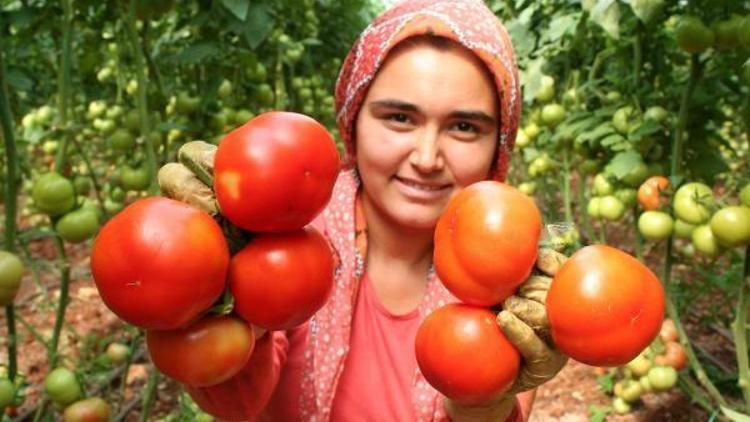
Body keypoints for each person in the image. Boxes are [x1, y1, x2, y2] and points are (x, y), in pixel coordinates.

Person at [159, 0, 568, 420]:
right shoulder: (284, 237)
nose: (427, 158)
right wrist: (203, 288)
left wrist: (486, 404)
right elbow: (233, 401)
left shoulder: (512, 281)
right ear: (352, 121)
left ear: (499, 146)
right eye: (399, 118)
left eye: (464, 127)